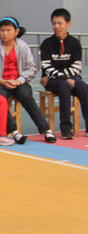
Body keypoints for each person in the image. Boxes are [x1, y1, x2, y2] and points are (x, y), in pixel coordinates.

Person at [0, 17, 56, 144]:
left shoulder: (23, 47)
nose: (5, 33)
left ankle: (46, 130)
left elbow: (32, 69)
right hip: (1, 83)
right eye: (2, 30)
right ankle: (14, 132)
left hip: (20, 82)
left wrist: (19, 81)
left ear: (16, 32)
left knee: (26, 96)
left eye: (8, 30)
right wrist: (1, 81)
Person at [39, 8, 88, 139]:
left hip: (71, 78)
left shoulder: (75, 43)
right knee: (64, 86)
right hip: (53, 80)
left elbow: (76, 67)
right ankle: (66, 128)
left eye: (60, 23)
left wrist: (67, 77)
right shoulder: (46, 44)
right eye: (54, 23)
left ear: (68, 24)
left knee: (83, 86)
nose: (56, 26)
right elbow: (47, 68)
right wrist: (65, 78)